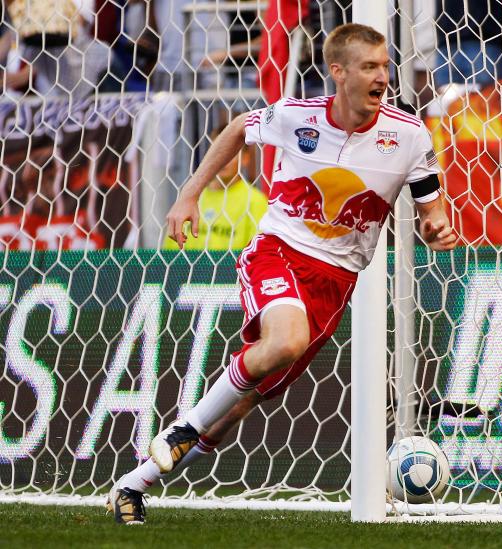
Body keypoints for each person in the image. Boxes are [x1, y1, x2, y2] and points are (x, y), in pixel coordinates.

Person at [106, 22, 456, 525]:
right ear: (338, 72)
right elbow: (237, 129)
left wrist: (436, 228)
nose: (382, 77)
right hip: (279, 252)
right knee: (286, 340)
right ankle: (183, 428)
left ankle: (132, 484)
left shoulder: (409, 135)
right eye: (369, 67)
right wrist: (188, 196)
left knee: (235, 409)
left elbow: (430, 211)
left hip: (336, 282)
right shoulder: (297, 116)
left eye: (384, 66)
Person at [162, 128, 268, 251]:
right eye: (219, 153)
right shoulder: (191, 198)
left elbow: (257, 252)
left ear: (245, 158)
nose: (224, 160)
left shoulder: (256, 201)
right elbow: (171, 251)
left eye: (231, 153)